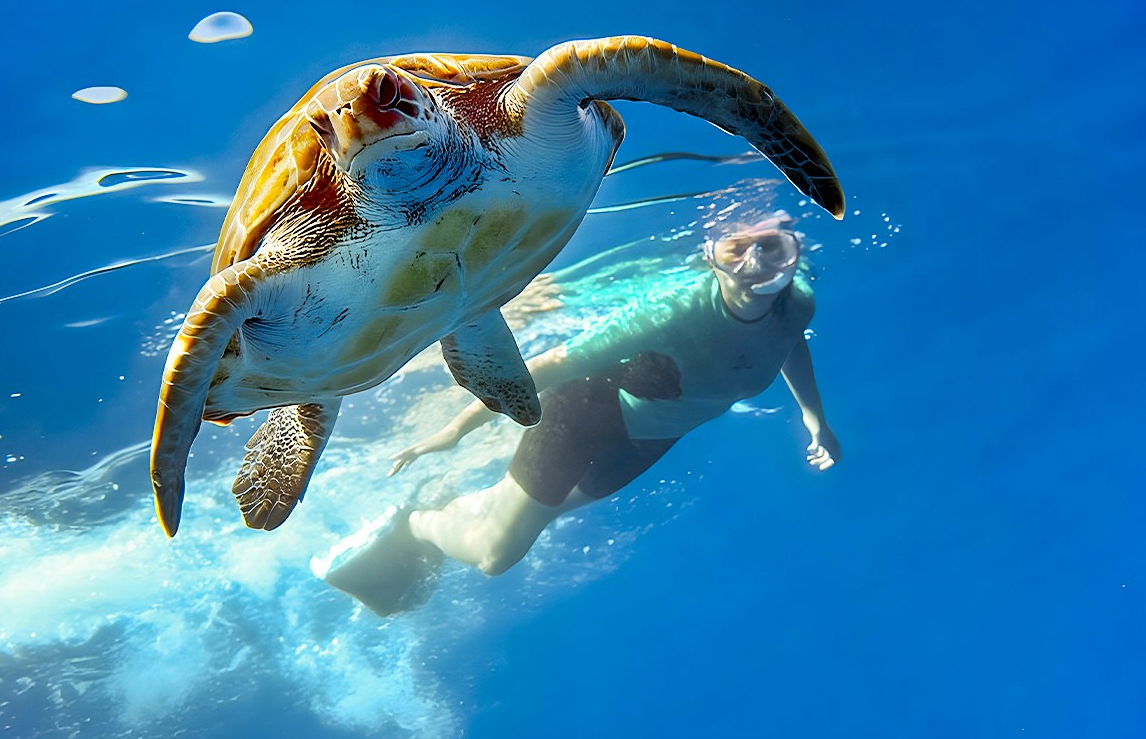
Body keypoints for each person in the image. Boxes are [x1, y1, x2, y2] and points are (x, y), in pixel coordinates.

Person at [314, 212, 841, 615]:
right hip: (588, 413)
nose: (756, 263)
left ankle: (451, 508)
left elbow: (788, 344)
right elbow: (546, 367)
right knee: (498, 557)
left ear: (792, 251)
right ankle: (417, 524)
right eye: (736, 249)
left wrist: (815, 418)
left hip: (652, 440)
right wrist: (453, 430)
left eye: (770, 247)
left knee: (533, 513)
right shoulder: (672, 312)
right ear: (712, 258)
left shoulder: (799, 302)